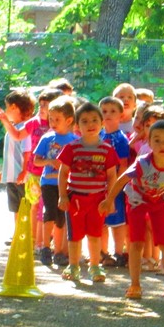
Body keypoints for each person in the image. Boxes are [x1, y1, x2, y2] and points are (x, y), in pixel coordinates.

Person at [101, 120, 164, 301]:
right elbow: (122, 179)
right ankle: (135, 285)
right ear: (149, 143)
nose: (162, 145)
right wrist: (109, 200)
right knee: (136, 243)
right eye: (157, 140)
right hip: (137, 202)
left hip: (159, 203)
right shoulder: (143, 163)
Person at [57, 101, 120, 282]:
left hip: (97, 200)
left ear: (102, 123)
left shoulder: (107, 149)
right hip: (75, 199)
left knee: (95, 234)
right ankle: (73, 266)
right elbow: (63, 173)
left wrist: (110, 199)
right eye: (84, 121)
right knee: (74, 236)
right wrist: (62, 196)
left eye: (94, 120)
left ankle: (95, 266)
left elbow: (112, 176)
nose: (90, 124)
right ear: (77, 126)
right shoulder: (72, 148)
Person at [0, 87, 63, 255]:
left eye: (47, 105)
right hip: (34, 173)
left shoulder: (61, 127)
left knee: (50, 209)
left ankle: (49, 244)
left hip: (54, 176)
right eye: (41, 105)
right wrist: (6, 121)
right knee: (35, 207)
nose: (42, 109)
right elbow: (17, 135)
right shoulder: (34, 123)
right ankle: (34, 241)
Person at [33, 96, 78, 266]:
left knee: (61, 218)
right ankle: (45, 247)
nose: (52, 122)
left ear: (69, 120)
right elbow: (36, 161)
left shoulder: (74, 141)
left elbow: (77, 163)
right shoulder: (47, 138)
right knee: (50, 212)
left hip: (66, 184)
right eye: (50, 119)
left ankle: (59, 251)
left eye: (57, 119)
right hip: (48, 182)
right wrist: (50, 162)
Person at [0, 89, 36, 239]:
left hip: (22, 178)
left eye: (7, 107)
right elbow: (12, 154)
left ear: (14, 107)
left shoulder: (25, 129)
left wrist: (24, 171)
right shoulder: (13, 129)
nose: (6, 111)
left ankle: (29, 235)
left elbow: (27, 152)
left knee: (26, 206)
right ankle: (18, 234)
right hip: (12, 176)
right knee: (16, 207)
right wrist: (5, 171)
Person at [98, 96, 130, 267]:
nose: (108, 115)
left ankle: (119, 252)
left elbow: (123, 165)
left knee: (117, 221)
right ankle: (102, 252)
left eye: (112, 111)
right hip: (98, 186)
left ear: (121, 115)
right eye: (104, 111)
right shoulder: (98, 135)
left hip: (114, 187)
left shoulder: (120, 139)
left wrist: (115, 186)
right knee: (101, 221)